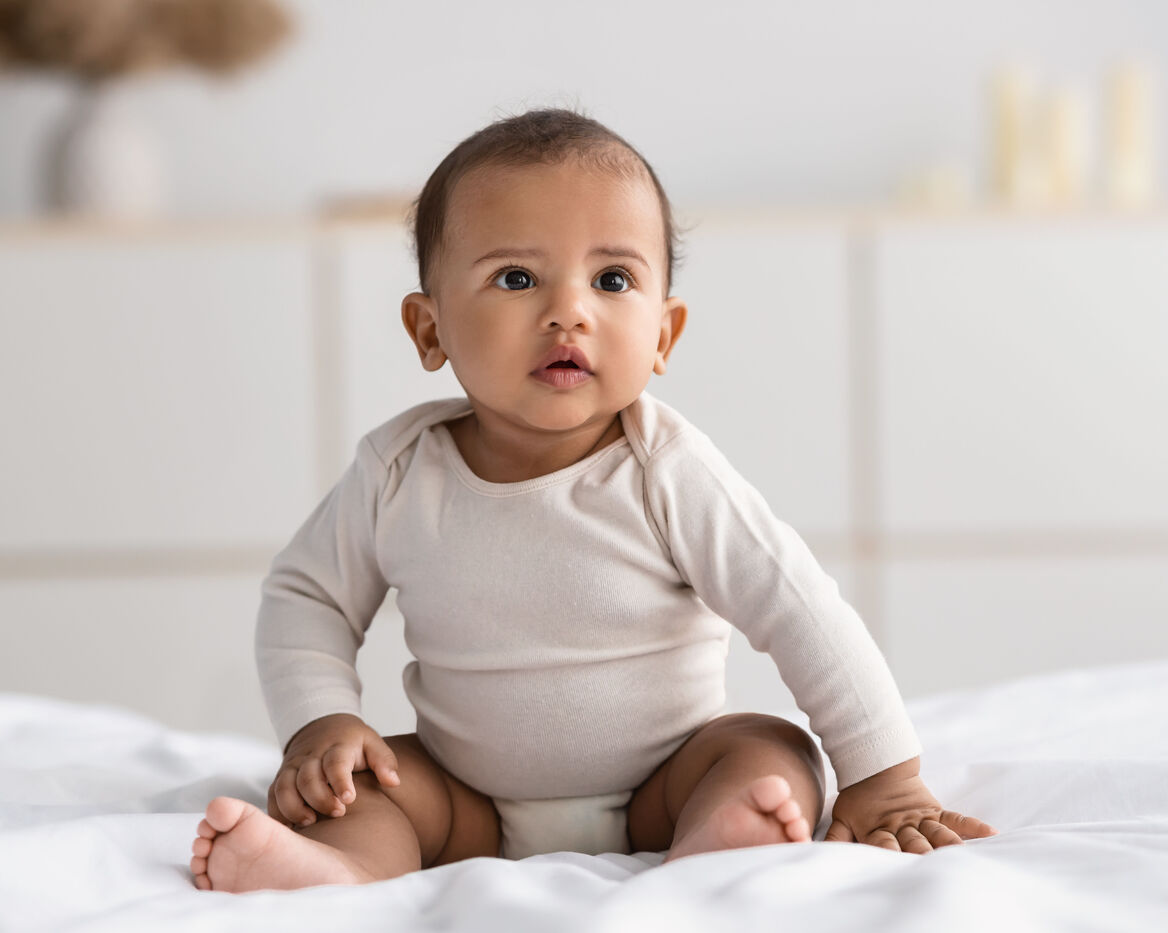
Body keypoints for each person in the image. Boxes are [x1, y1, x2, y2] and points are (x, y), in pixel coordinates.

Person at [189, 108, 998, 892]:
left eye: (612, 279)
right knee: (369, 785)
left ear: (663, 335)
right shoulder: (398, 472)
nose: (568, 310)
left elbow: (800, 610)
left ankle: (719, 837)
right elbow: (306, 596)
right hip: (465, 799)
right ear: (429, 329)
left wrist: (886, 777)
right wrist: (322, 722)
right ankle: (341, 872)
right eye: (516, 277)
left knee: (767, 747)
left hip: (667, 781)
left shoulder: (667, 471)